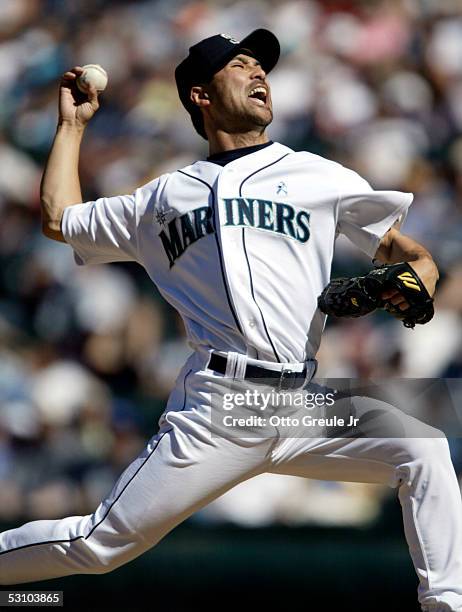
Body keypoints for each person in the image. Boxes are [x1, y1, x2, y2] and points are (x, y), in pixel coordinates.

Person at [0, 28, 461, 611]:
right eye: (241, 65)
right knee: (99, 545)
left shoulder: (318, 175)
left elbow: (408, 252)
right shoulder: (161, 197)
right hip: (220, 405)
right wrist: (72, 125)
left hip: (300, 400)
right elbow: (58, 218)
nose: (259, 74)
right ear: (200, 94)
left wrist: (421, 276)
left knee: (423, 449)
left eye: (262, 66)